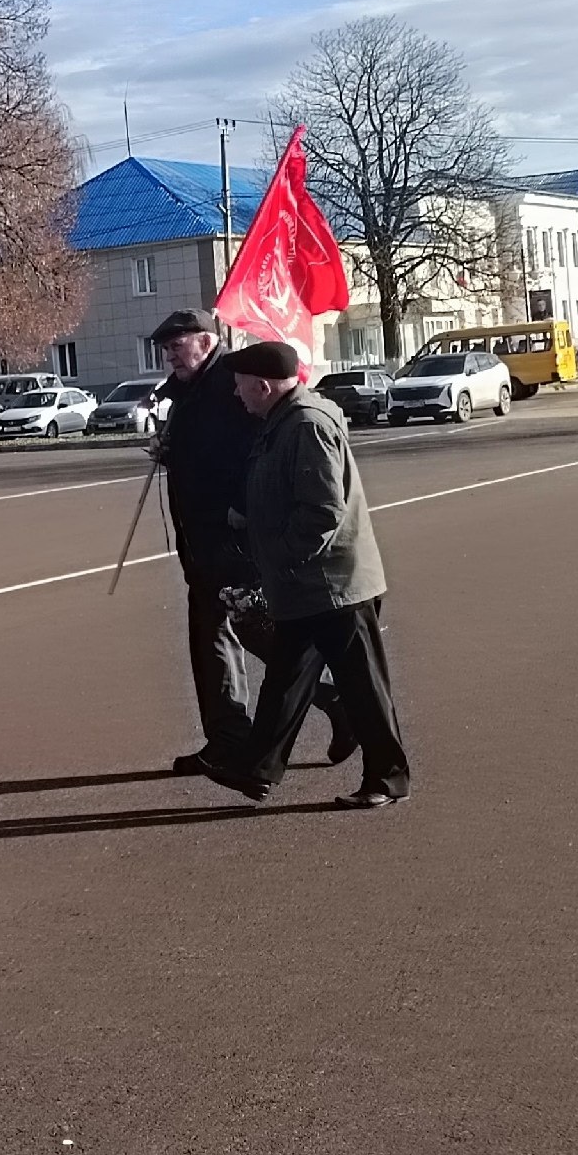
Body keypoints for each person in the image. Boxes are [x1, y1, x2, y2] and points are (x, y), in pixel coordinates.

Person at [150, 310, 354, 778]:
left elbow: (256, 454)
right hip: (201, 540)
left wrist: (241, 511)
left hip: (231, 540)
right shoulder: (192, 391)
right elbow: (207, 452)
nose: (169, 356)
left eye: (176, 345)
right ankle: (227, 739)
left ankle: (335, 700)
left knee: (255, 632)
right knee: (213, 636)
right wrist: (171, 450)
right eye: (165, 348)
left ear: (204, 342)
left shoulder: (228, 387)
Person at [208, 341, 412, 810]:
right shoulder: (282, 422)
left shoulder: (305, 426)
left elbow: (321, 514)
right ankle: (256, 768)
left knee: (363, 686)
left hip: (334, 583)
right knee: (285, 679)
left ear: (263, 386)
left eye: (240, 387)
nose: (237, 396)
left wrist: (274, 558)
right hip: (309, 583)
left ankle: (389, 776)